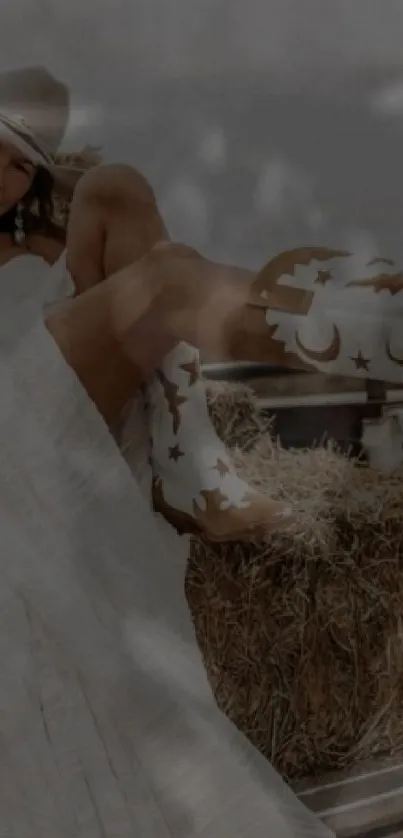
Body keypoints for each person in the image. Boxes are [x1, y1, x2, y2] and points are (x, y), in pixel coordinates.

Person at [0, 66, 336, 837]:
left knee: (127, 202)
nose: (14, 176)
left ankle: (206, 435)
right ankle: (207, 451)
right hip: (16, 416)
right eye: (4, 149)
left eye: (29, 162)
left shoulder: (49, 244)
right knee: (160, 277)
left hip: (68, 400)